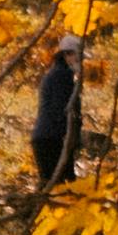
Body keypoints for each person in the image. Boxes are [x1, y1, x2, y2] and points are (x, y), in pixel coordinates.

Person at [31, 34, 84, 190]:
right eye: (77, 56)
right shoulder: (62, 76)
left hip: (46, 138)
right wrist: (70, 136)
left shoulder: (58, 74)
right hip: (51, 140)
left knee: (54, 186)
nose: (80, 61)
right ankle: (33, 213)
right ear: (67, 54)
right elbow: (60, 111)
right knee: (61, 188)